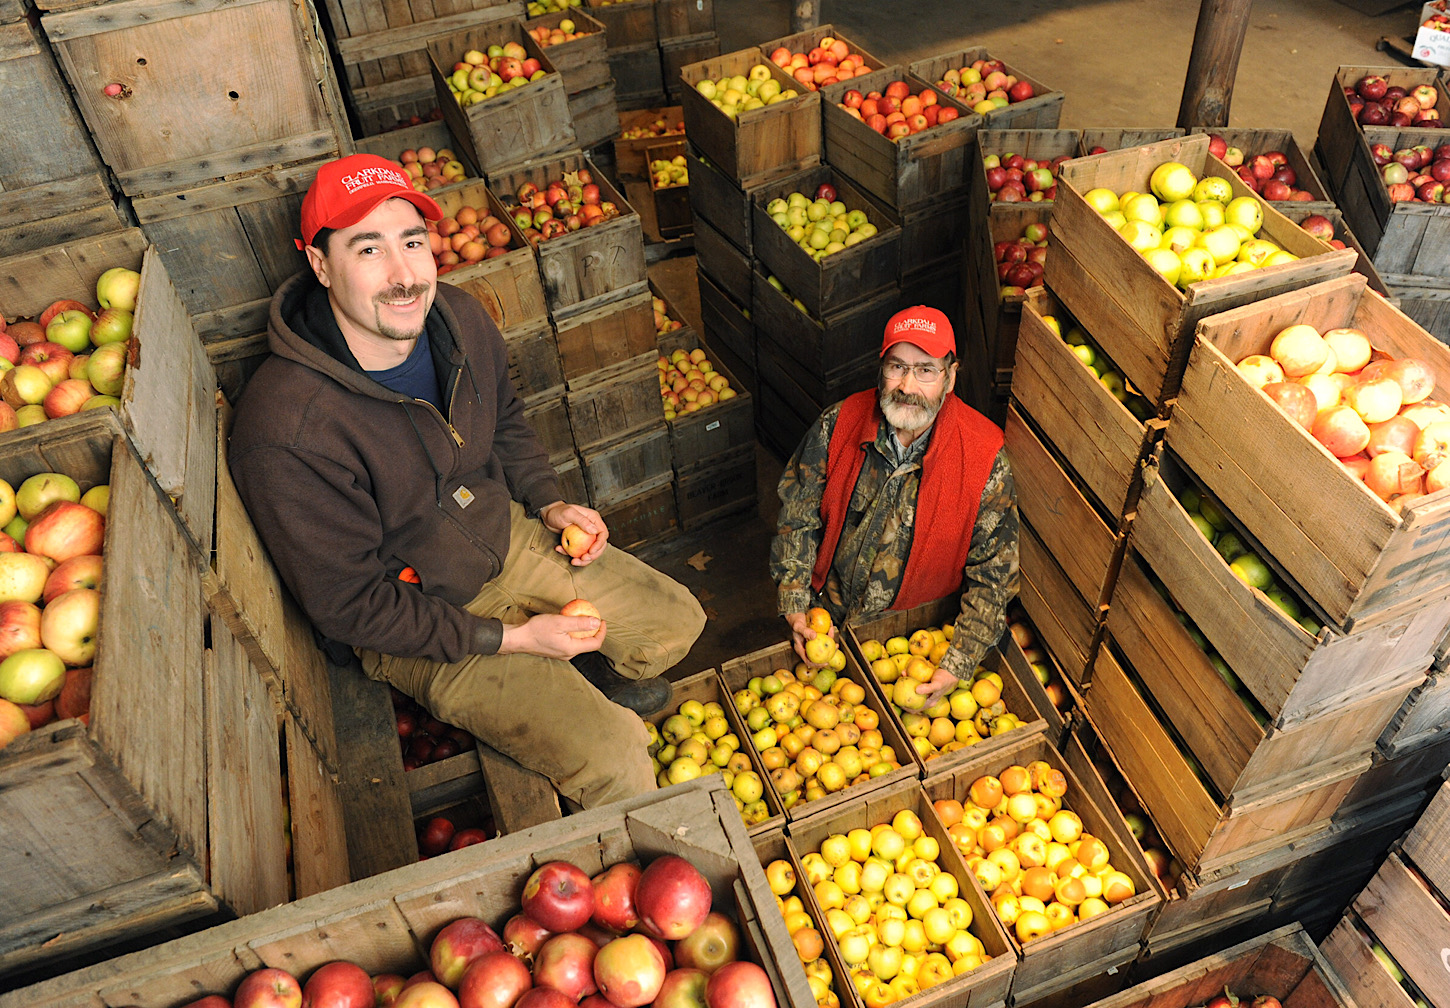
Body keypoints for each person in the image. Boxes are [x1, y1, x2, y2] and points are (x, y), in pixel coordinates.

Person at [228, 154, 705, 809]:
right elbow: (350, 608)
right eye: (369, 249)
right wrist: (508, 640)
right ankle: (568, 707)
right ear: (319, 264)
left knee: (676, 623)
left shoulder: (457, 319)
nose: (403, 276)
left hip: (493, 531)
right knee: (619, 759)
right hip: (415, 616)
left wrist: (550, 503)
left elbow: (504, 417)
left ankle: (578, 675)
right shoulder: (289, 429)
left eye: (413, 242)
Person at [770, 305, 1018, 708]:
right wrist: (795, 603)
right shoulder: (838, 424)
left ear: (951, 376)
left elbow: (994, 575)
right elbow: (797, 517)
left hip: (907, 649)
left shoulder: (984, 458)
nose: (907, 385)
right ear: (880, 368)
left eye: (926, 370)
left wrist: (956, 662)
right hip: (823, 627)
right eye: (897, 366)